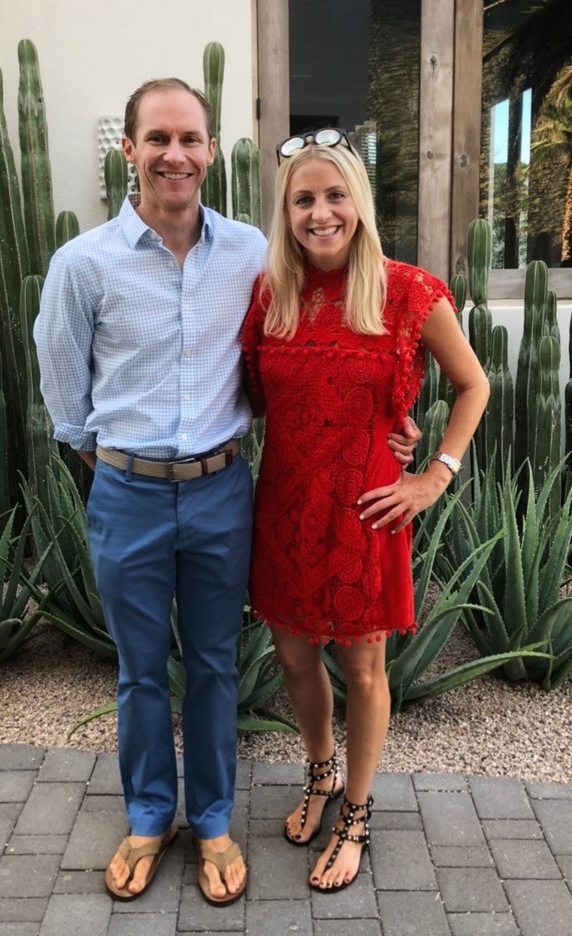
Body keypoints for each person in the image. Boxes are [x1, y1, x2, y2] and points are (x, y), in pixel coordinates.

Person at [34, 82, 419, 906]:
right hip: (128, 492)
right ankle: (148, 818)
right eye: (158, 138)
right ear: (130, 149)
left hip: (220, 492)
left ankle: (210, 821)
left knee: (212, 665)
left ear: (212, 152)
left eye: (191, 139)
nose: (176, 154)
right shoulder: (84, 263)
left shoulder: (253, 252)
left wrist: (390, 423)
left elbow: (301, 356)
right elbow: (66, 403)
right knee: (140, 671)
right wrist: (124, 475)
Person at [241, 128, 490, 893]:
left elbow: (473, 385)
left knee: (362, 662)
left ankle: (354, 809)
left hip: (366, 506)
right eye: (304, 199)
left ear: (359, 202)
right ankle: (317, 772)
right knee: (291, 654)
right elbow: (252, 397)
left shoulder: (409, 290)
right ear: (285, 212)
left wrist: (434, 474)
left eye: (334, 195)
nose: (320, 213)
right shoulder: (271, 293)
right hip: (284, 499)